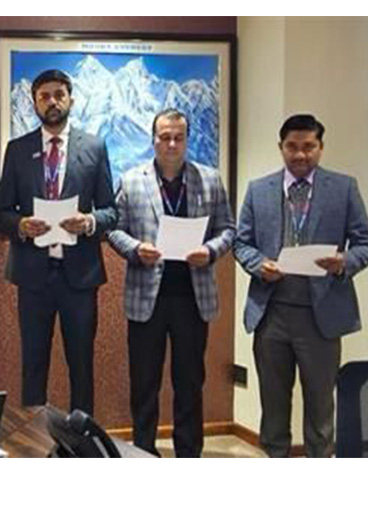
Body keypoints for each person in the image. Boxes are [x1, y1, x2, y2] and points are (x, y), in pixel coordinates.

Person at [234, 114, 368, 458]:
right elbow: (241, 242)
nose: (300, 154)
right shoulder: (258, 190)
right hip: (271, 315)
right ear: (281, 147)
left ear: (321, 147)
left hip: (321, 318)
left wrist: (344, 261)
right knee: (273, 410)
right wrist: (258, 265)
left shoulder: (344, 188)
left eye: (309, 146)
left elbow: (364, 243)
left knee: (321, 412)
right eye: (292, 146)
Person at [107, 109, 235, 457]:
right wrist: (136, 249)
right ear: (154, 140)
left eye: (179, 137)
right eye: (165, 137)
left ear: (188, 140)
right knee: (144, 383)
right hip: (146, 297)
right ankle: (143, 451)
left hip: (192, 297)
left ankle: (188, 454)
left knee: (190, 382)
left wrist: (210, 251)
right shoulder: (132, 180)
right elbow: (114, 229)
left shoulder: (210, 180)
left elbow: (228, 229)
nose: (172, 144)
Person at [0, 69, 116, 414]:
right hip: (33, 276)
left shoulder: (94, 147)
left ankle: (81, 437)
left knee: (82, 365)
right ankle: (33, 439)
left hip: (80, 276)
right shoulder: (17, 150)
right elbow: (1, 212)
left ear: (71, 100)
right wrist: (21, 224)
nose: (52, 102)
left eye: (59, 95)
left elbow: (111, 211)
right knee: (33, 364)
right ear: (34, 103)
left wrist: (89, 222)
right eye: (44, 96)